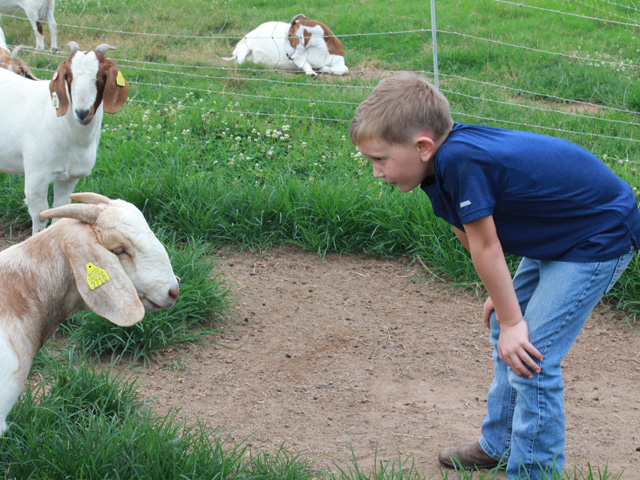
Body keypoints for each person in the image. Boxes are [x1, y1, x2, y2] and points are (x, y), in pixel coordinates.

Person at [348, 72, 640, 479]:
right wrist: (502, 304)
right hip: (558, 231)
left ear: (422, 146)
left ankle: (534, 471)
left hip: (596, 233)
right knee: (506, 336)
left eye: (380, 160)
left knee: (531, 353)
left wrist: (512, 319)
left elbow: (487, 245)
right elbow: (468, 232)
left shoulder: (461, 161)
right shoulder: (436, 168)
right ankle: (498, 444)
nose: (376, 172)